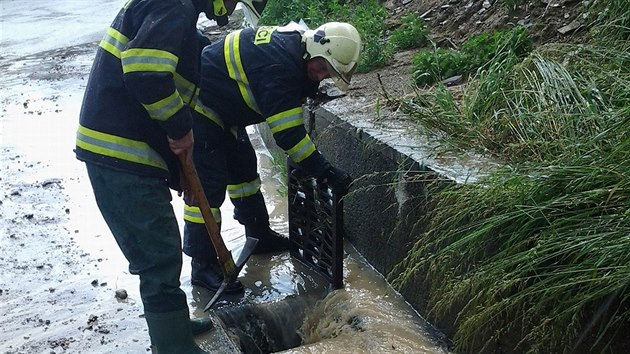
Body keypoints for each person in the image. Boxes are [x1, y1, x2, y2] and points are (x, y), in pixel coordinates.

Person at [74, 0, 239, 352]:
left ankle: (174, 325)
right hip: (119, 153)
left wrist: (182, 175)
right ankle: (173, 347)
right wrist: (181, 128)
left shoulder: (183, 25)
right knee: (159, 256)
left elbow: (163, 99)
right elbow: (144, 74)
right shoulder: (173, 5)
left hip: (129, 151)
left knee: (162, 251)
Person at [183, 21, 361, 292]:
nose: (323, 76)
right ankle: (203, 267)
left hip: (226, 109)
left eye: (329, 72)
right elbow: (289, 136)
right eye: (323, 68)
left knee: (245, 174)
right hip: (202, 110)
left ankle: (259, 236)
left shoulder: (294, 47)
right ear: (313, 50)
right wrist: (325, 172)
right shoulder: (280, 67)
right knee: (208, 191)